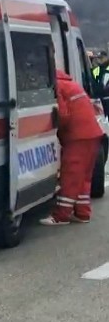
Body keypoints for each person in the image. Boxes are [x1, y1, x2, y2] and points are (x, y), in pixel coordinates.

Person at [40, 69, 104, 225]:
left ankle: (61, 216)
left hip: (78, 135)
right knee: (83, 176)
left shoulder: (57, 86)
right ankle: (83, 213)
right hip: (92, 133)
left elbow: (63, 115)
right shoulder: (71, 84)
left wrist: (54, 131)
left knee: (71, 175)